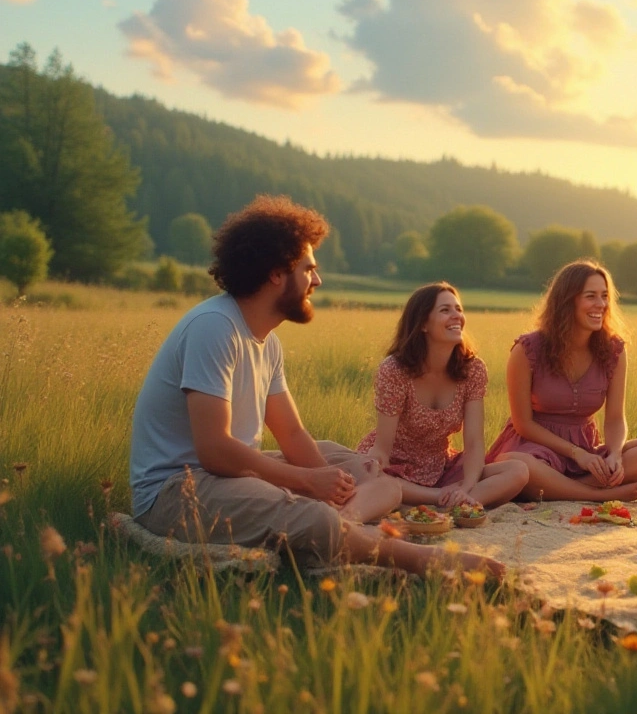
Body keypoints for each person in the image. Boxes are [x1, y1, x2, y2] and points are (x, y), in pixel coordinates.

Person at [128, 195, 501, 577]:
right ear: (276, 273)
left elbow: (291, 433)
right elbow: (215, 451)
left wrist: (332, 483)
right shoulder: (215, 327)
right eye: (308, 269)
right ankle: (417, 558)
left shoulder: (266, 342)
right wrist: (308, 482)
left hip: (230, 476)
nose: (317, 281)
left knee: (373, 476)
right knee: (312, 512)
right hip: (178, 490)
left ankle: (338, 523)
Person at [487, 260, 637, 502]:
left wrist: (615, 455)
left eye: (605, 296)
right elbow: (523, 423)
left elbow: (616, 418)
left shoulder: (613, 350)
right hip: (535, 447)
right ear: (568, 301)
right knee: (517, 465)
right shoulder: (527, 349)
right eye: (591, 296)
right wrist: (576, 454)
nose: (601, 304)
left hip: (587, 451)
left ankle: (564, 488)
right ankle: (594, 494)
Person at [357, 283, 528, 508]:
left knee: (517, 471)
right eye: (445, 310)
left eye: (458, 309)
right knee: (373, 477)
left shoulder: (472, 369)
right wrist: (440, 493)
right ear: (423, 324)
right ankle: (440, 501)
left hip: (442, 466)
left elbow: (475, 442)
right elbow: (382, 450)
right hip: (396, 469)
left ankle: (460, 501)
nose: (456, 316)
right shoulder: (394, 370)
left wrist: (466, 486)